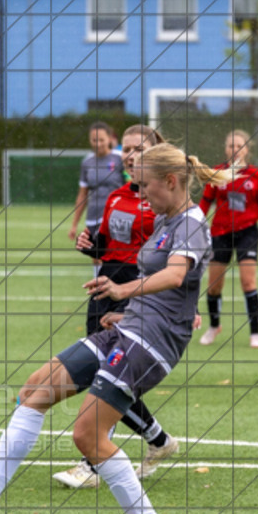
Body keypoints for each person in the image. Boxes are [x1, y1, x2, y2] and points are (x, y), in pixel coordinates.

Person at [0, 143, 238, 514]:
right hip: (128, 330)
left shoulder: (191, 223)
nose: (141, 192)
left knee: (87, 434)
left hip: (151, 345)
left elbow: (175, 276)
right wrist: (129, 310)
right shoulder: (167, 220)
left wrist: (123, 290)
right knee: (35, 390)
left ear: (170, 181)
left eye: (146, 184)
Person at [52, 125, 180, 490]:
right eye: (126, 149)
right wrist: (88, 245)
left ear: (157, 154)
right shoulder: (116, 197)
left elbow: (175, 262)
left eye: (139, 149)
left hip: (138, 298)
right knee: (101, 375)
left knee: (108, 377)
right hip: (103, 293)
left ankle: (91, 462)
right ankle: (158, 440)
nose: (130, 155)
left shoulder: (167, 205)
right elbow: (109, 247)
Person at [198, 129, 258, 348]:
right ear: (225, 149)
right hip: (220, 233)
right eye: (231, 146)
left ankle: (255, 333)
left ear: (247, 150)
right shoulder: (217, 173)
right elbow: (205, 202)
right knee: (214, 286)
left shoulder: (256, 175)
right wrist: (191, 228)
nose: (235, 150)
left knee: (248, 282)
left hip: (247, 233)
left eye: (239, 146)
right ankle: (214, 326)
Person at [68, 122, 125, 243]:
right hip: (93, 215)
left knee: (112, 255)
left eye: (101, 140)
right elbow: (82, 195)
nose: (98, 144)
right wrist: (74, 224)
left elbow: (131, 187)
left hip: (116, 216)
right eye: (94, 140)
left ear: (109, 139)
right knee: (96, 255)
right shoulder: (87, 162)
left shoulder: (120, 158)